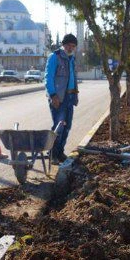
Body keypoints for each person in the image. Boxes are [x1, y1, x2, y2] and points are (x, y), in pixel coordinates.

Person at [45, 33, 78, 163]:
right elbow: (48, 78)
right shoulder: (55, 57)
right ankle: (53, 153)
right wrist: (53, 95)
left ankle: (60, 152)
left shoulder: (72, 59)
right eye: (68, 45)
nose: (70, 48)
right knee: (59, 127)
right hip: (58, 98)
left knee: (67, 126)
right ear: (63, 45)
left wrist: (75, 95)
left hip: (69, 97)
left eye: (73, 46)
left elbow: (73, 78)